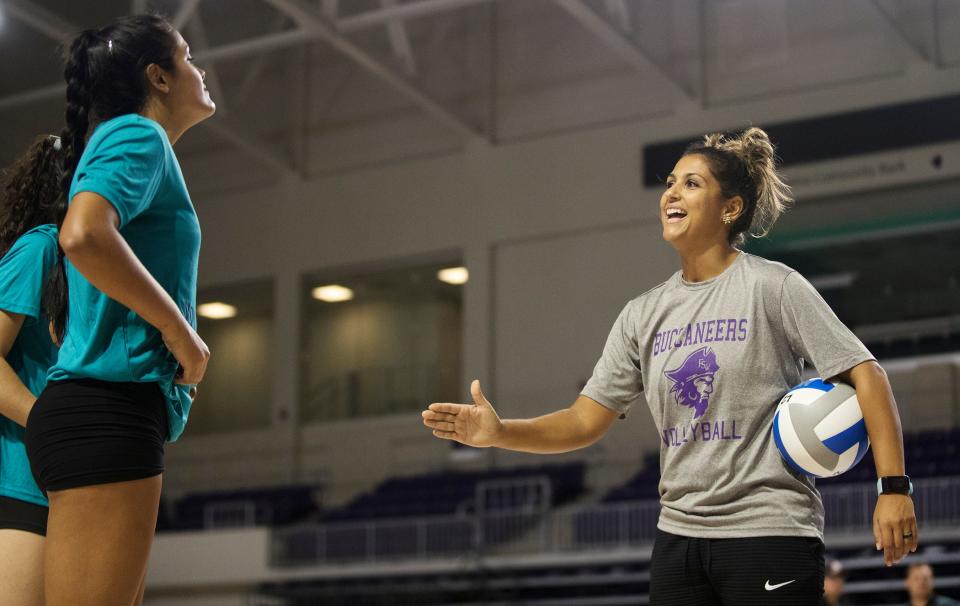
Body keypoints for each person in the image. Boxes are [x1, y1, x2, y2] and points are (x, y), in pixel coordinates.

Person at [422, 127, 917, 605]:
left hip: (768, 530)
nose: (671, 193)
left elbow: (866, 374)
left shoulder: (773, 287)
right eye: (670, 183)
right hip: (678, 541)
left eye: (691, 183)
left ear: (731, 208)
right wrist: (499, 432)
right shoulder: (642, 314)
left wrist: (892, 487)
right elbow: (583, 420)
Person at [23, 14, 213, 606]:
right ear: (157, 76)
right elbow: (83, 235)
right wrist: (179, 331)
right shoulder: (138, 135)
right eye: (187, 56)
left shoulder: (129, 142)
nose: (201, 69)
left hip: (103, 413)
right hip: (107, 411)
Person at [0, 134, 63, 606]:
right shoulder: (40, 249)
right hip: (21, 482)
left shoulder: (93, 266)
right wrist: (47, 424)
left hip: (67, 483)